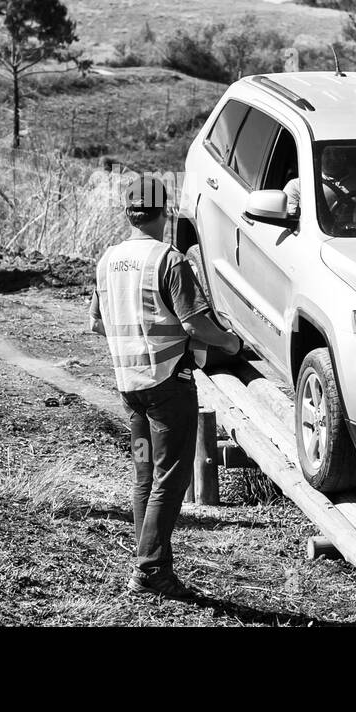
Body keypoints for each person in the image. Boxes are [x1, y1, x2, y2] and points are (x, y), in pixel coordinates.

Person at [90, 175, 242, 600]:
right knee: (171, 475)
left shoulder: (107, 260)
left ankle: (149, 560)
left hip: (130, 388)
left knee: (145, 473)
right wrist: (229, 340)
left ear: (128, 213)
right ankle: (150, 568)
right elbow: (195, 322)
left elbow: (95, 321)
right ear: (166, 212)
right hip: (168, 387)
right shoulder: (169, 261)